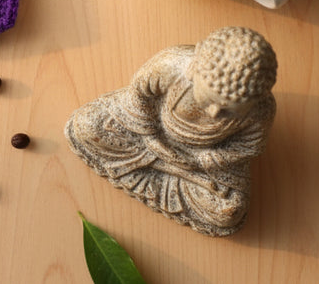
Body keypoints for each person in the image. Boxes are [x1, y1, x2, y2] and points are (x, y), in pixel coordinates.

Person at [65, 27, 277, 236]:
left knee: (228, 210)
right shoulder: (171, 66)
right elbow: (139, 95)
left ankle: (154, 169)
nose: (214, 112)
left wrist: (203, 161)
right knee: (87, 125)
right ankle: (164, 168)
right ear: (194, 67)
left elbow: (247, 148)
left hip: (202, 158)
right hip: (146, 131)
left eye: (229, 109)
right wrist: (151, 138)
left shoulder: (260, 111)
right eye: (210, 99)